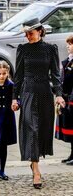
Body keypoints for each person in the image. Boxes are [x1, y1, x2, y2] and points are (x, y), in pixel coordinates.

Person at [11, 18, 65, 189]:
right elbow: (17, 75)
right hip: (27, 92)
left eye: (31, 33)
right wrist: (15, 97)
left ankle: (34, 161)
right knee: (32, 129)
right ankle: (36, 170)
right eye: (26, 33)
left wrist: (59, 95)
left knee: (40, 130)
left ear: (40, 31)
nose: (27, 36)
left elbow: (55, 74)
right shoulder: (23, 49)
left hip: (44, 94)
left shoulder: (51, 49)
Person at [55, 35, 73, 165]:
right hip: (67, 98)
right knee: (70, 128)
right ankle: (72, 154)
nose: (68, 46)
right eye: (67, 44)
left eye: (71, 44)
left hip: (72, 98)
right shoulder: (68, 61)